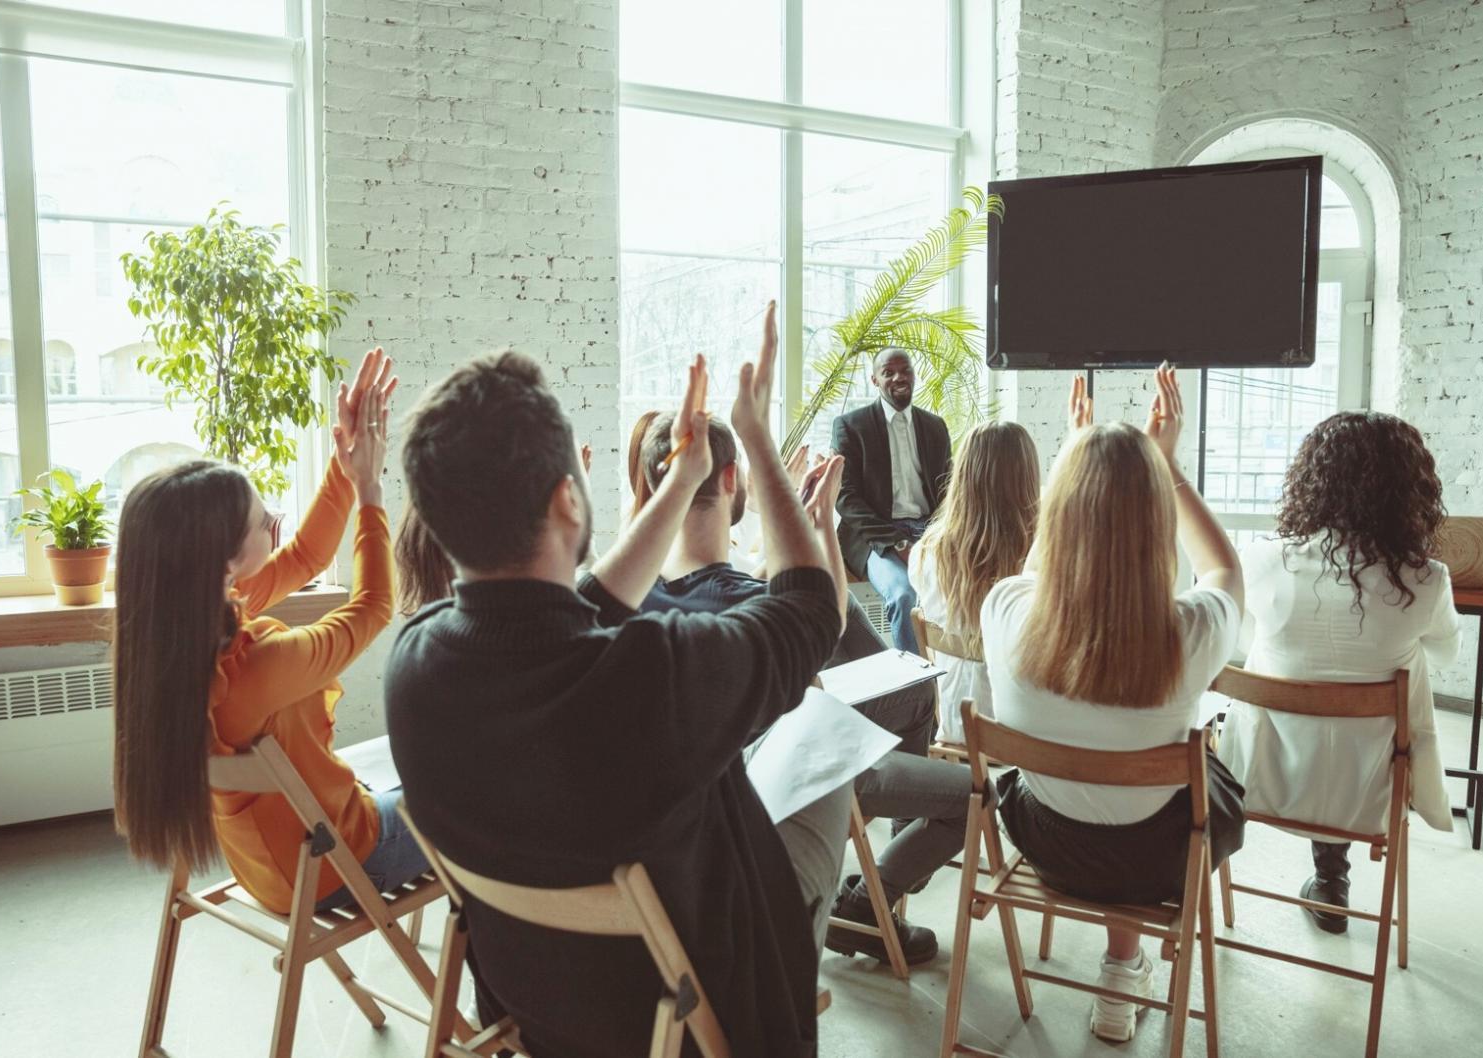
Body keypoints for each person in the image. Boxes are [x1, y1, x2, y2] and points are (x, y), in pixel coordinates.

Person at [386, 302, 847, 1058]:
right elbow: (808, 612)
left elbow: (564, 614)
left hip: (540, 1001)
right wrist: (757, 438)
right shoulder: (653, 675)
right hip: (688, 1006)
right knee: (831, 774)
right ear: (569, 498)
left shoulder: (416, 665)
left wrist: (682, 483)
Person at [634, 413, 980, 967]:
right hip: (788, 783)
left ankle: (881, 889)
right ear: (729, 481)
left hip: (692, 812)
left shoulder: (623, 596)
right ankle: (872, 902)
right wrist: (814, 525)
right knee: (976, 793)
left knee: (914, 692)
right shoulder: (759, 608)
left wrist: (789, 519)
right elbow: (817, 660)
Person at [980, 368, 1247, 1044]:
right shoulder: (1194, 631)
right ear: (1159, 520)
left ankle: (1121, 969)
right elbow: (1227, 573)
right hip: (1157, 859)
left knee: (1108, 778)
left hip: (1046, 842)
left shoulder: (1004, 611)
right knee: (1203, 776)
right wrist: (1168, 467)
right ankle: (1124, 970)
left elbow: (1037, 573)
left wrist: (1077, 460)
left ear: (1057, 512)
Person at [111, 349, 418, 915]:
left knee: (411, 778)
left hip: (267, 867)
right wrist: (370, 490)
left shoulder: (183, 630)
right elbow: (374, 607)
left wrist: (345, 463)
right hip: (335, 867)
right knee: (481, 794)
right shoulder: (257, 665)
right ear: (225, 560)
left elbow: (303, 556)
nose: (273, 524)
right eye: (262, 521)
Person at [1218, 411, 1460, 934]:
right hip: (1370, 788)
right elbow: (1446, 655)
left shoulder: (1261, 562)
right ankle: (1333, 878)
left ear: (1313, 482)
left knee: (1281, 666)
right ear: (1407, 489)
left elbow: (1237, 643)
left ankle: (1330, 879)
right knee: (1405, 666)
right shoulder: (1426, 580)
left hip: (1261, 776)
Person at [909, 420, 1040, 743]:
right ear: (1028, 476)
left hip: (957, 724)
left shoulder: (928, 553)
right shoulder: (1040, 556)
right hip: (1023, 735)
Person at [832, 347, 953, 653]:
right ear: (874, 380)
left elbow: (948, 490)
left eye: (905, 370)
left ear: (914, 375)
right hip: (877, 536)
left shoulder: (935, 426)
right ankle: (917, 688)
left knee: (960, 589)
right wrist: (896, 543)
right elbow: (845, 498)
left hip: (930, 531)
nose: (899, 377)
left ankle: (953, 670)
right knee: (902, 596)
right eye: (889, 372)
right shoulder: (851, 426)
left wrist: (945, 533)